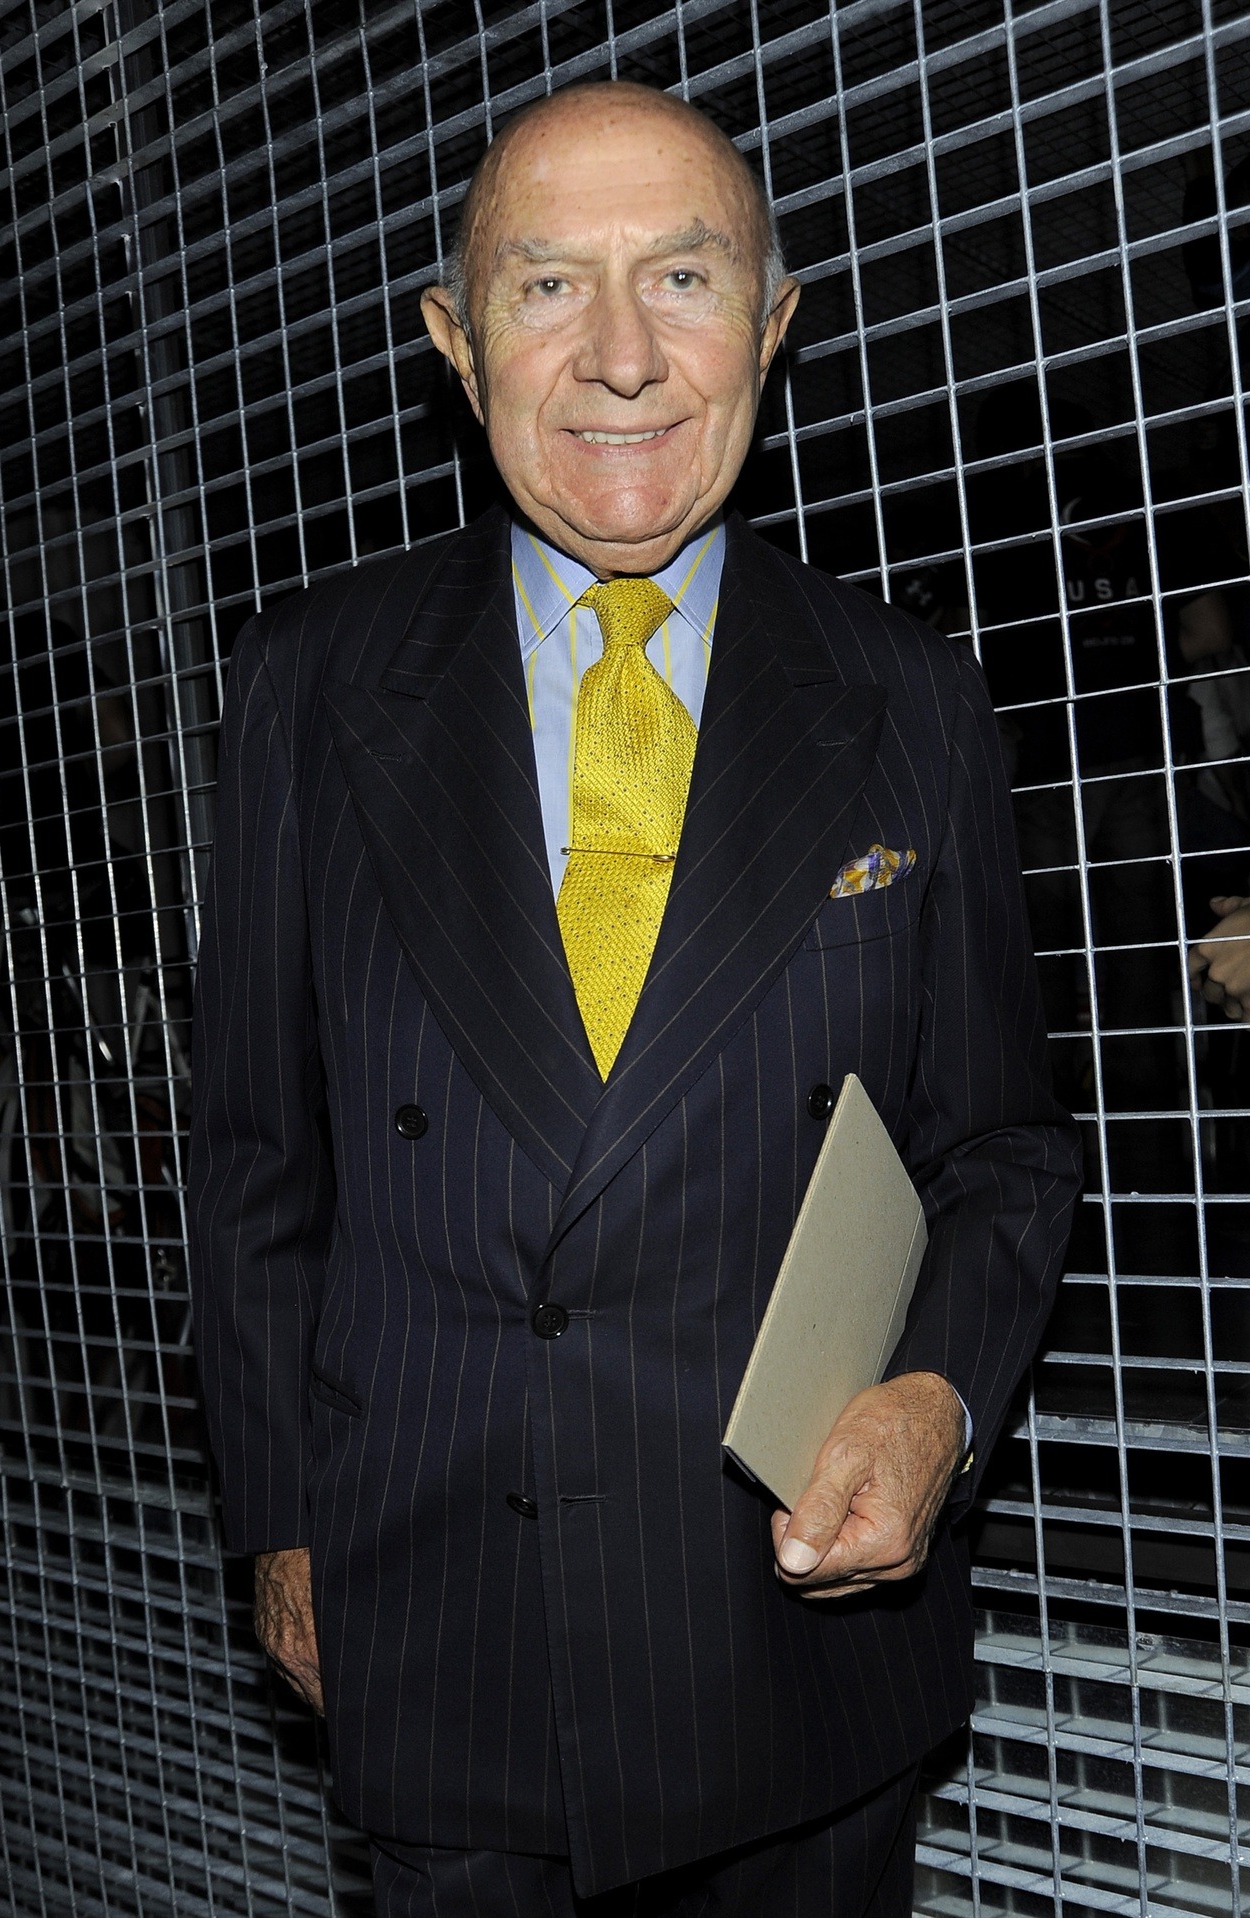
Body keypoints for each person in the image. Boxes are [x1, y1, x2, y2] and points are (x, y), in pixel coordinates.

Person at [188, 82, 1080, 1918]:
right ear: (455, 345)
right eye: (544, 288)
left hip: (797, 1654)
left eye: (682, 278)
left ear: (774, 322)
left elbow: (998, 1145)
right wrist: (280, 1524)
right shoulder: (310, 684)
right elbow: (258, 1156)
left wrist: (939, 1400)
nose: (619, 358)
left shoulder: (911, 699)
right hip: (447, 1633)